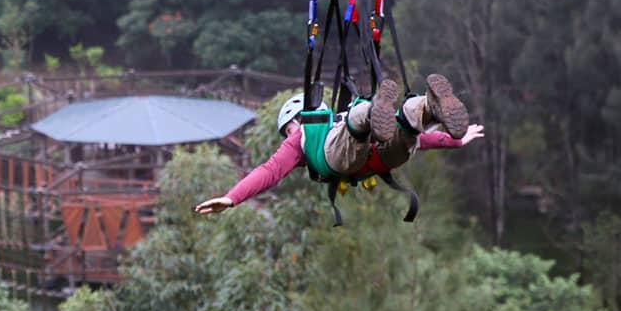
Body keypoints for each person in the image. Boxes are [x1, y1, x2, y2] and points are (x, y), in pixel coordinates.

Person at [194, 74, 484, 216]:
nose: (290, 133)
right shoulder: (332, 121)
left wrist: (232, 197)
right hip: (381, 158)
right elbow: (426, 141)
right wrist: (454, 141)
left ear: (298, 118)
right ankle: (423, 108)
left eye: (288, 128)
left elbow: (269, 171)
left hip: (343, 157)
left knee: (360, 130)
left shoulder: (302, 137)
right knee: (406, 131)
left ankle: (385, 110)